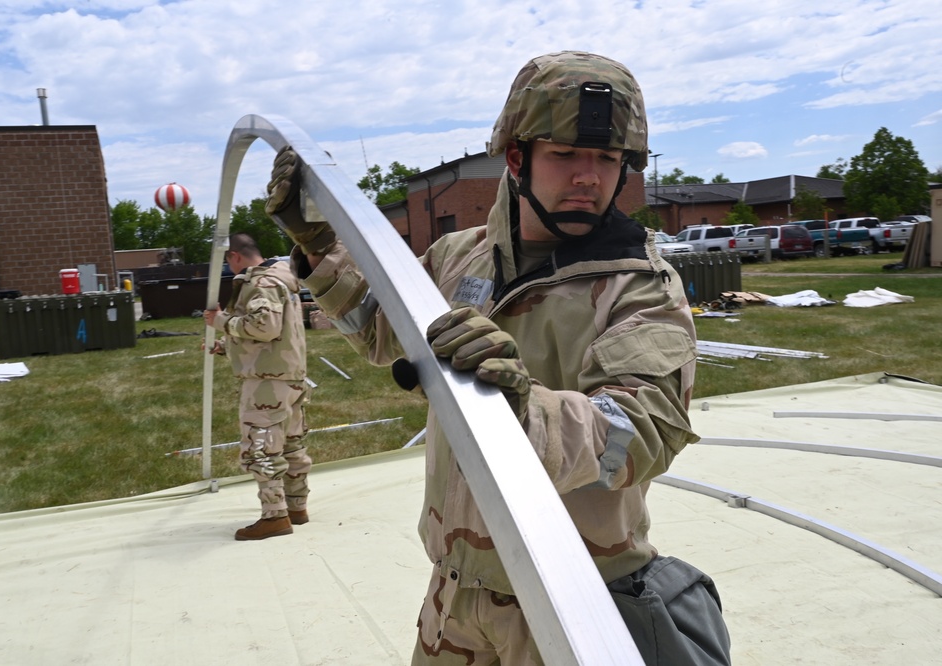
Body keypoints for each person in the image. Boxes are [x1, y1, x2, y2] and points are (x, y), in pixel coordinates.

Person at [266, 51, 731, 663]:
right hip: (453, 600)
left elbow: (643, 431)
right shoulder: (459, 257)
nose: (589, 176)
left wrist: (524, 411)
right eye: (566, 155)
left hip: (570, 604)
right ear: (517, 158)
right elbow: (384, 330)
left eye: (607, 159)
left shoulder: (640, 287)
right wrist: (321, 244)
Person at [204, 233, 312, 541]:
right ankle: (296, 507)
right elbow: (278, 333)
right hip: (288, 376)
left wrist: (222, 322)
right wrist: (228, 346)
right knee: (291, 444)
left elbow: (264, 327)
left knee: (261, 447)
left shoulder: (261, 283)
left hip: (267, 382)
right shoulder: (282, 279)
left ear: (234, 257)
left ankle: (274, 516)